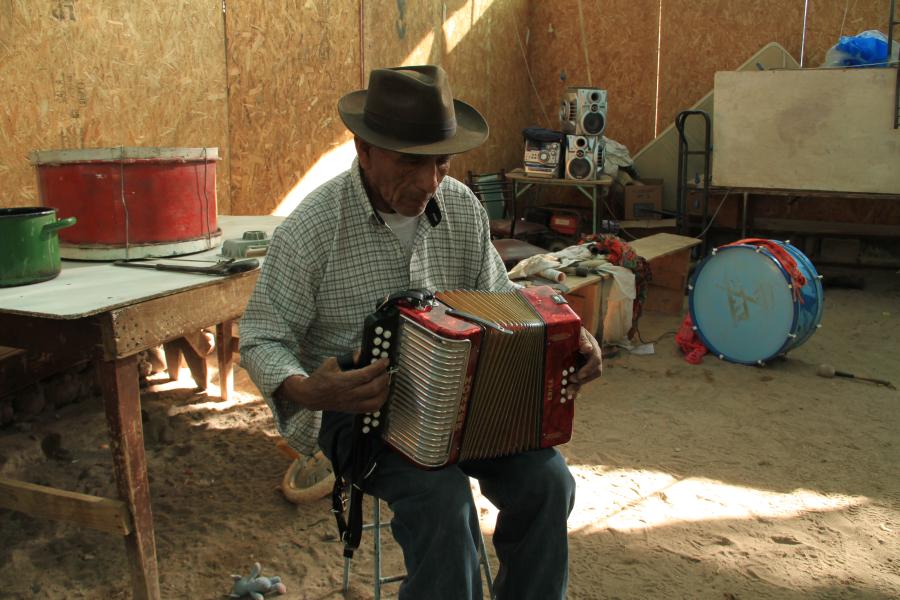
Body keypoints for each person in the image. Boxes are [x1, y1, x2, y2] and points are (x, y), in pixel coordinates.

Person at [239, 64, 602, 600]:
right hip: (361, 414)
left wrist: (567, 340)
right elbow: (261, 338)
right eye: (411, 163)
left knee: (549, 484)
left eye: (441, 162)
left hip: (467, 405)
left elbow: (505, 303)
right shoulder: (311, 229)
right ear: (363, 149)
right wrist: (307, 389)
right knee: (442, 502)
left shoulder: (460, 206)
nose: (429, 183)